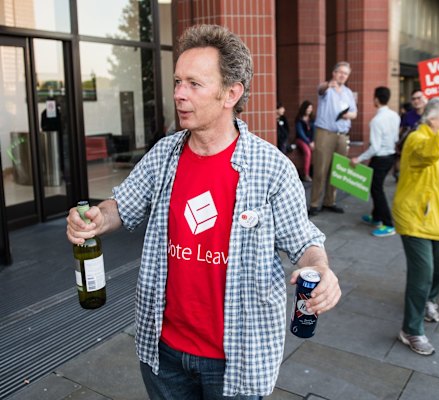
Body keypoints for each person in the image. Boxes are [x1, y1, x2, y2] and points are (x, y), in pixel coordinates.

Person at [66, 24, 341, 399]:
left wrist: (322, 271)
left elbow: (305, 242)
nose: (179, 94)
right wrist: (99, 217)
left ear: (232, 93)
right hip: (162, 352)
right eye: (178, 81)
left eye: (194, 84)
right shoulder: (164, 155)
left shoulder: (271, 168)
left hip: (239, 357)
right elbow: (121, 207)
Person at [392, 96, 439, 355]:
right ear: (431, 118)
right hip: (416, 220)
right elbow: (426, 153)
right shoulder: (419, 139)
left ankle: (428, 300)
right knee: (422, 274)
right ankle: (411, 330)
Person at [309, 61, 357, 216]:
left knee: (337, 170)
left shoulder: (348, 92)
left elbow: (354, 113)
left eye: (346, 73)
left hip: (342, 135)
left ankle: (330, 201)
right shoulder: (326, 88)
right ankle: (315, 203)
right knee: (320, 170)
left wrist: (347, 115)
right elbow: (321, 90)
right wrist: (328, 85)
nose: (343, 75)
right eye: (340, 72)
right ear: (334, 73)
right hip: (325, 133)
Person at [350, 86, 400, 237]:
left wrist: (358, 159)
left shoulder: (376, 121)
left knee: (377, 190)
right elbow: (396, 138)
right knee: (376, 187)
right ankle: (376, 217)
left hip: (380, 158)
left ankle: (388, 224)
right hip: (390, 157)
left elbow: (375, 147)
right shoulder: (395, 116)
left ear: (376, 99)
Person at [394, 89, 427, 181]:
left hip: (425, 152)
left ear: (425, 98)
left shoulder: (431, 115)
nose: (416, 101)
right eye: (413, 99)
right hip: (410, 152)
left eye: (419, 98)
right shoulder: (407, 115)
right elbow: (400, 132)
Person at [294, 100, 315, 182]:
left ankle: (315, 173)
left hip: (311, 141)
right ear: (304, 108)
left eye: (311, 108)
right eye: (308, 108)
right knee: (307, 151)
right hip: (301, 140)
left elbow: (314, 131)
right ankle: (306, 174)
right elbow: (300, 133)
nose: (309, 110)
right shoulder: (299, 119)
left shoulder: (312, 119)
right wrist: (309, 142)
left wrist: (312, 141)